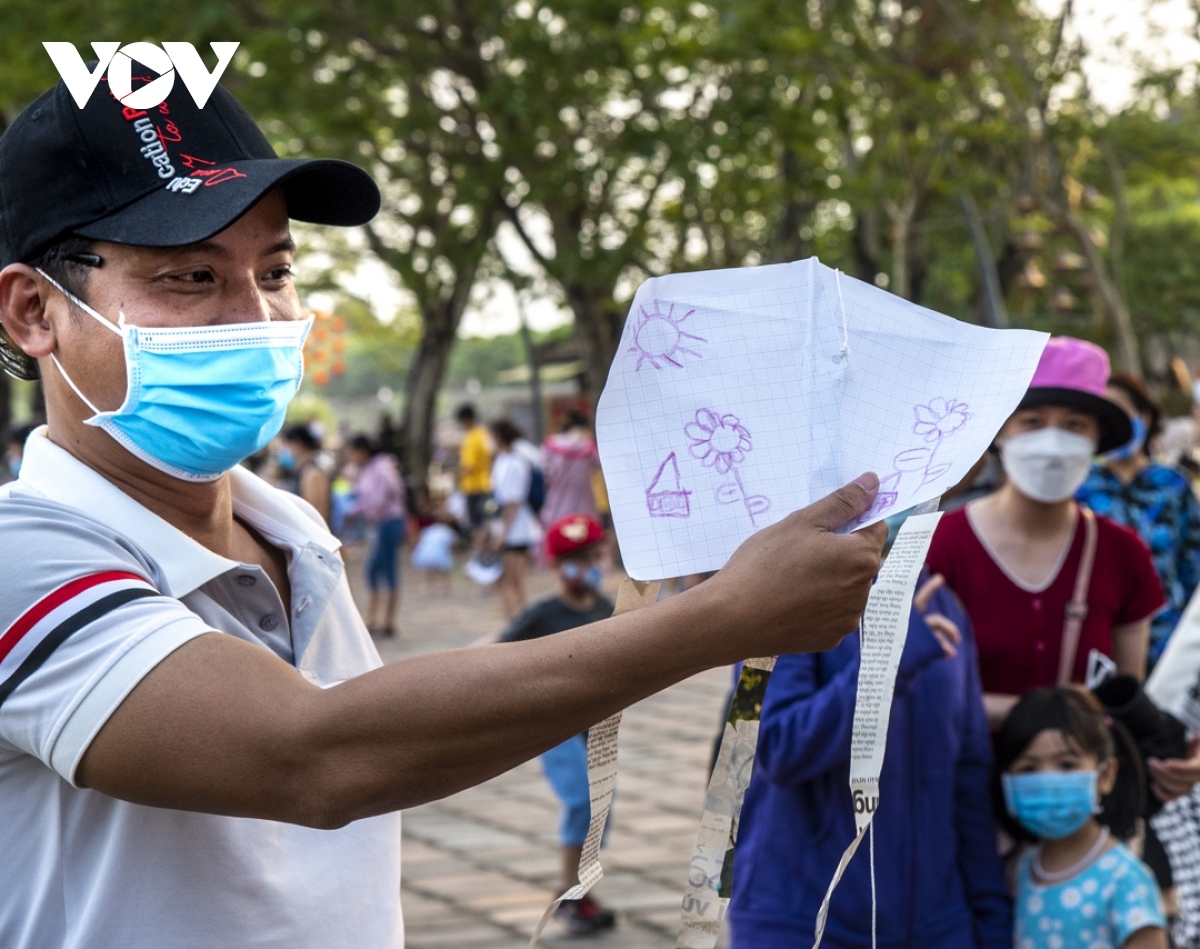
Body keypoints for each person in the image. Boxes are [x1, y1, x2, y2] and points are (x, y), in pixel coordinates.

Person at [0, 69, 886, 949]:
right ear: (34, 311)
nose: (255, 316)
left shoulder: (292, 528)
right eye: (192, 276)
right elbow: (316, 757)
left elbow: (394, 747)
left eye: (274, 271)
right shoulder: (22, 554)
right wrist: (722, 617)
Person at [729, 574, 1012, 949]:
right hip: (799, 920)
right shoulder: (777, 599)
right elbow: (776, 748)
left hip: (938, 924)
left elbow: (969, 781)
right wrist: (883, 665)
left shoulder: (946, 605)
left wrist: (993, 922)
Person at [926, 337, 1166, 730]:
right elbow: (913, 691)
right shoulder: (940, 545)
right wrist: (1047, 716)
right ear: (1001, 431)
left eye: (1075, 425)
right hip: (959, 780)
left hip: (1080, 786)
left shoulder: (1123, 553)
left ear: (1096, 439)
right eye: (1033, 422)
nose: (1053, 444)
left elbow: (1126, 705)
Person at [496, 514, 618, 934]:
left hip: (597, 727)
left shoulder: (606, 608)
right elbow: (500, 658)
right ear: (554, 565)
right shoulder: (542, 616)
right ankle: (569, 892)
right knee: (581, 801)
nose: (583, 569)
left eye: (589, 558)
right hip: (554, 727)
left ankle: (578, 887)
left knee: (600, 808)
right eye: (572, 560)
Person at [995, 687, 1167, 949]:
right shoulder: (1021, 870)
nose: (1048, 782)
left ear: (1106, 775)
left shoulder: (1125, 878)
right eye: (1028, 769)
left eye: (1067, 765)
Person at [1076, 372, 1200, 670]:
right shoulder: (1080, 485)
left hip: (1167, 644)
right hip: (1094, 640)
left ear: (1143, 417)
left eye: (1119, 412)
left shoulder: (1172, 484)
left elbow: (1192, 567)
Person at [347, 434, 408, 637]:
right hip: (385, 522)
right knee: (376, 570)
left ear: (362, 450)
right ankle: (376, 620)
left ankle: (385, 622)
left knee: (385, 570)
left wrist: (357, 512)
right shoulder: (374, 469)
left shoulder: (380, 468)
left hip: (388, 521)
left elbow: (379, 499)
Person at [488, 418, 543, 619]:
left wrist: (502, 532)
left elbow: (513, 501)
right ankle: (519, 623)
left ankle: (517, 625)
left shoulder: (514, 462)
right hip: (509, 526)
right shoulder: (503, 460)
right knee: (511, 581)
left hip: (515, 529)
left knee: (510, 581)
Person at [540, 411, 602, 528]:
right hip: (583, 504)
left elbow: (545, 473)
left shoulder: (550, 445)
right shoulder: (588, 447)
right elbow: (598, 466)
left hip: (557, 502)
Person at [281, 422, 332, 525]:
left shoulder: (313, 474)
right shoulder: (302, 470)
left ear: (297, 444)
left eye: (288, 444)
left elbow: (316, 513)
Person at [456, 403, 492, 539]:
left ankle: (480, 555)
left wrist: (453, 474)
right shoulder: (484, 434)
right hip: (486, 484)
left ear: (465, 420)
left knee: (477, 525)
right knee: (487, 521)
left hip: (473, 487)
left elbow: (468, 467)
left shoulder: (471, 438)